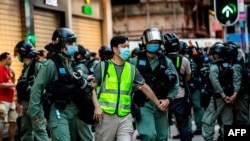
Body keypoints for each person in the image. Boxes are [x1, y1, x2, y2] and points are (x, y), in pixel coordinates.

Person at [27, 27, 101, 141]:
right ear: (60, 45)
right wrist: (36, 114)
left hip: (75, 111)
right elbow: (37, 88)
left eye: (73, 42)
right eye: (69, 43)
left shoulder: (71, 62)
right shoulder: (50, 65)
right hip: (59, 111)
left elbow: (69, 79)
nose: (73, 46)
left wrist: (85, 78)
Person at [92, 35, 165, 141]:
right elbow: (91, 88)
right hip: (106, 115)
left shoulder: (131, 69)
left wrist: (159, 104)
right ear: (115, 49)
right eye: (123, 46)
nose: (127, 49)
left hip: (125, 116)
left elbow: (144, 87)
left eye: (128, 46)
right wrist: (97, 107)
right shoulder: (103, 66)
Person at [130, 28, 179, 141]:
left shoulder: (166, 61)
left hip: (161, 104)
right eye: (151, 43)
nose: (153, 45)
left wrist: (168, 100)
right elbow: (127, 84)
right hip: (143, 104)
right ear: (145, 43)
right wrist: (136, 87)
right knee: (149, 135)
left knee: (162, 137)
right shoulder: (135, 61)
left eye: (156, 43)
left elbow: (175, 83)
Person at [14, 40, 49, 141]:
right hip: (26, 104)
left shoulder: (38, 66)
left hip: (35, 104)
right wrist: (18, 102)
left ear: (23, 53)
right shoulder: (25, 68)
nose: (18, 57)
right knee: (25, 131)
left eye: (18, 53)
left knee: (39, 131)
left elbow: (45, 85)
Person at [201, 42, 235, 141]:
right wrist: (232, 96)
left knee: (207, 121)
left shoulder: (214, 66)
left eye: (213, 54)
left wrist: (224, 96)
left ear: (216, 54)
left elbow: (215, 83)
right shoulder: (229, 65)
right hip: (230, 97)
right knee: (227, 122)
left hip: (218, 98)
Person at [164, 33, 192, 141]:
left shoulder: (162, 59)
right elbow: (188, 77)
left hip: (165, 98)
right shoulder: (184, 60)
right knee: (183, 125)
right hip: (180, 96)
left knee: (163, 126)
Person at [0, 52, 17, 141]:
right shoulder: (0, 69)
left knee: (13, 121)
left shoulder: (8, 69)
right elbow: (0, 84)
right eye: (9, 59)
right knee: (1, 122)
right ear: (3, 60)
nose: (11, 60)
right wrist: (13, 85)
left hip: (11, 101)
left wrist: (13, 75)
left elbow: (11, 82)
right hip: (2, 100)